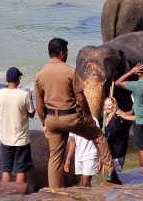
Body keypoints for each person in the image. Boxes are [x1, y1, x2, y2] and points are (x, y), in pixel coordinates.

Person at [34, 37, 120, 187]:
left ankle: (55, 192)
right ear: (61, 53)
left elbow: (39, 103)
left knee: (55, 158)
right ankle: (111, 172)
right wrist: (88, 116)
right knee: (98, 136)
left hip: (52, 120)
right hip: (70, 118)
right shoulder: (69, 71)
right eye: (66, 52)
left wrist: (44, 122)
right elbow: (81, 98)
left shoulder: (40, 74)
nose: (67, 55)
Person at [0, 67, 35, 184]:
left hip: (5, 138)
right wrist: (30, 97)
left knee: (6, 170)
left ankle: (6, 195)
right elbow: (31, 114)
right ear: (18, 79)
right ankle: (19, 194)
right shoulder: (24, 94)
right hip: (21, 140)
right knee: (21, 170)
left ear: (7, 80)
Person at [63, 117, 100, 187]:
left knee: (85, 182)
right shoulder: (72, 121)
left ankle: (89, 197)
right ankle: (89, 197)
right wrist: (68, 160)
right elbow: (72, 142)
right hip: (78, 155)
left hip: (90, 154)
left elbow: (98, 139)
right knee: (83, 181)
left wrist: (100, 158)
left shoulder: (93, 120)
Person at [102, 97, 130, 173]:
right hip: (117, 151)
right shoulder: (109, 117)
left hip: (117, 153)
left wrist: (102, 145)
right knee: (115, 176)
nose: (106, 107)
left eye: (109, 105)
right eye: (105, 105)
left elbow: (110, 136)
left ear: (114, 106)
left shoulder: (114, 119)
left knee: (116, 176)